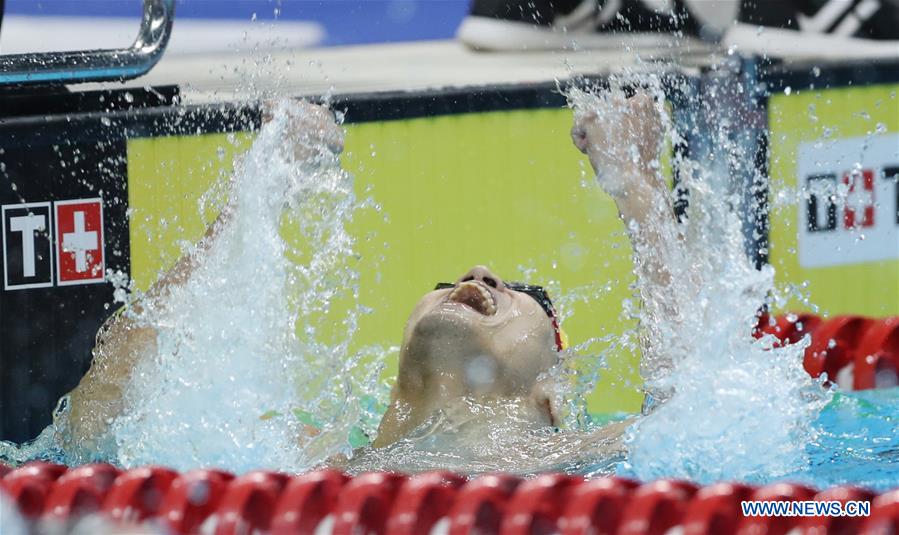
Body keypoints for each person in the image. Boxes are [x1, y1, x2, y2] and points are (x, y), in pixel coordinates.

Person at [63, 92, 673, 464]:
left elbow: (711, 438)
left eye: (519, 294)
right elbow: (96, 425)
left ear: (553, 395)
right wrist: (253, 202)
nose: (477, 272)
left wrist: (643, 202)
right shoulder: (312, 461)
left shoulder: (589, 460)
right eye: (447, 280)